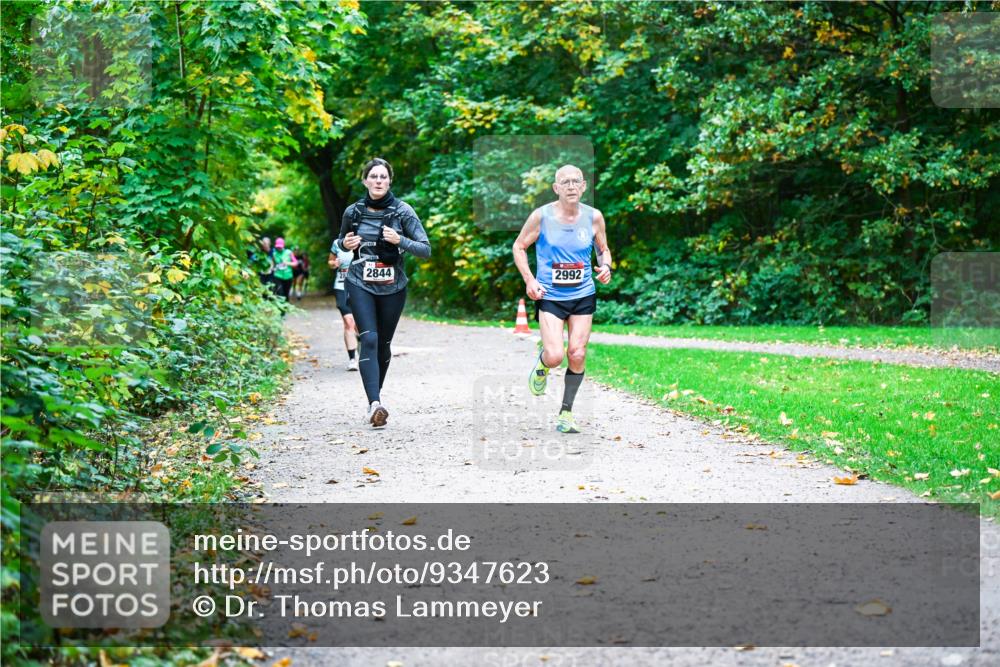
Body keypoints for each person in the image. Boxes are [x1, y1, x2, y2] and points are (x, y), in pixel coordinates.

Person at [511, 165, 612, 434]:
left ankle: (566, 413)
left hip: (583, 294)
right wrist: (530, 280)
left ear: (583, 186)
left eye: (575, 181)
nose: (571, 186)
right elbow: (519, 246)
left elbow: (603, 249)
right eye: (565, 182)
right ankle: (543, 364)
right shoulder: (541, 216)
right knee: (555, 356)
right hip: (551, 296)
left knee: (577, 353)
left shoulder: (594, 217)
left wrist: (606, 266)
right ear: (556, 188)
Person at [339, 157, 431, 427]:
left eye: (383, 177)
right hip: (359, 282)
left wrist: (399, 240)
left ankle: (373, 400)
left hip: (393, 287)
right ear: (365, 181)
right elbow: (341, 242)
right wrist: (345, 244)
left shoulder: (403, 211)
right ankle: (375, 403)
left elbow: (425, 249)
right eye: (373, 176)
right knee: (369, 338)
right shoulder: (353, 212)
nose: (378, 181)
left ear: (390, 181)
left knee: (383, 344)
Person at [328, 238, 359, 371]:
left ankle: (360, 343)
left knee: (359, 325)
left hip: (360, 287)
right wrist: (334, 263)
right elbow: (330, 262)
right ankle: (352, 359)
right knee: (348, 322)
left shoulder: (365, 239)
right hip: (341, 286)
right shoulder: (337, 243)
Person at [271, 237, 297, 302]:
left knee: (286, 294)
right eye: (278, 247)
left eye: (280, 247)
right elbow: (273, 265)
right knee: (280, 293)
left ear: (283, 246)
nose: (279, 248)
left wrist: (287, 263)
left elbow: (295, 263)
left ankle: (285, 307)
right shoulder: (274, 254)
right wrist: (273, 268)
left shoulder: (289, 252)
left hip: (288, 276)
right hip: (278, 276)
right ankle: (281, 307)